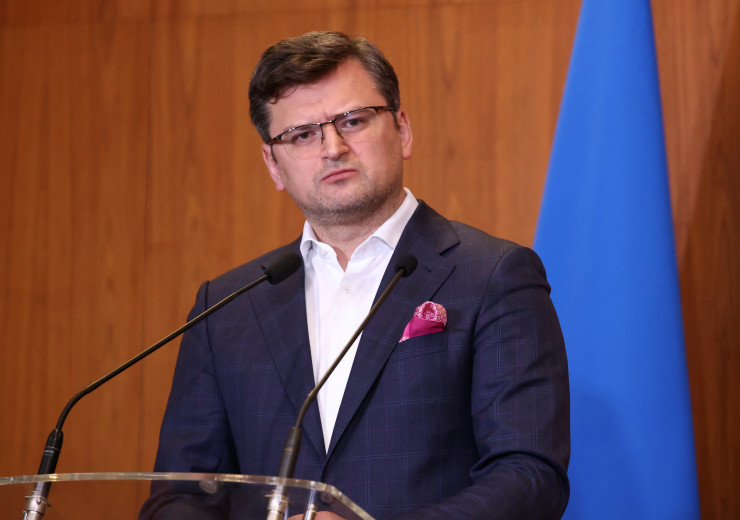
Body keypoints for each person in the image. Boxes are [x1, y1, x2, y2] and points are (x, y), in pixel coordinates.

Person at [144, 31, 570, 520]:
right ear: (273, 164)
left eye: (353, 120)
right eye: (302, 135)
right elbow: (178, 496)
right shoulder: (227, 305)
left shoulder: (492, 275)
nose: (333, 147)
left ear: (402, 130)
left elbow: (529, 475)